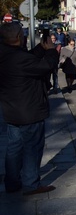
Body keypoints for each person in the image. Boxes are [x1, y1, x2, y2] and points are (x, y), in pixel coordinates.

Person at [0, 22, 59, 195]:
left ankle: (11, 182)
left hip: (12, 109)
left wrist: (41, 48)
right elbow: (46, 66)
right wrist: (50, 50)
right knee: (32, 147)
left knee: (14, 147)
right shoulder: (18, 58)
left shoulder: (7, 54)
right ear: (18, 37)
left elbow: (28, 61)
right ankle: (31, 183)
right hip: (29, 110)